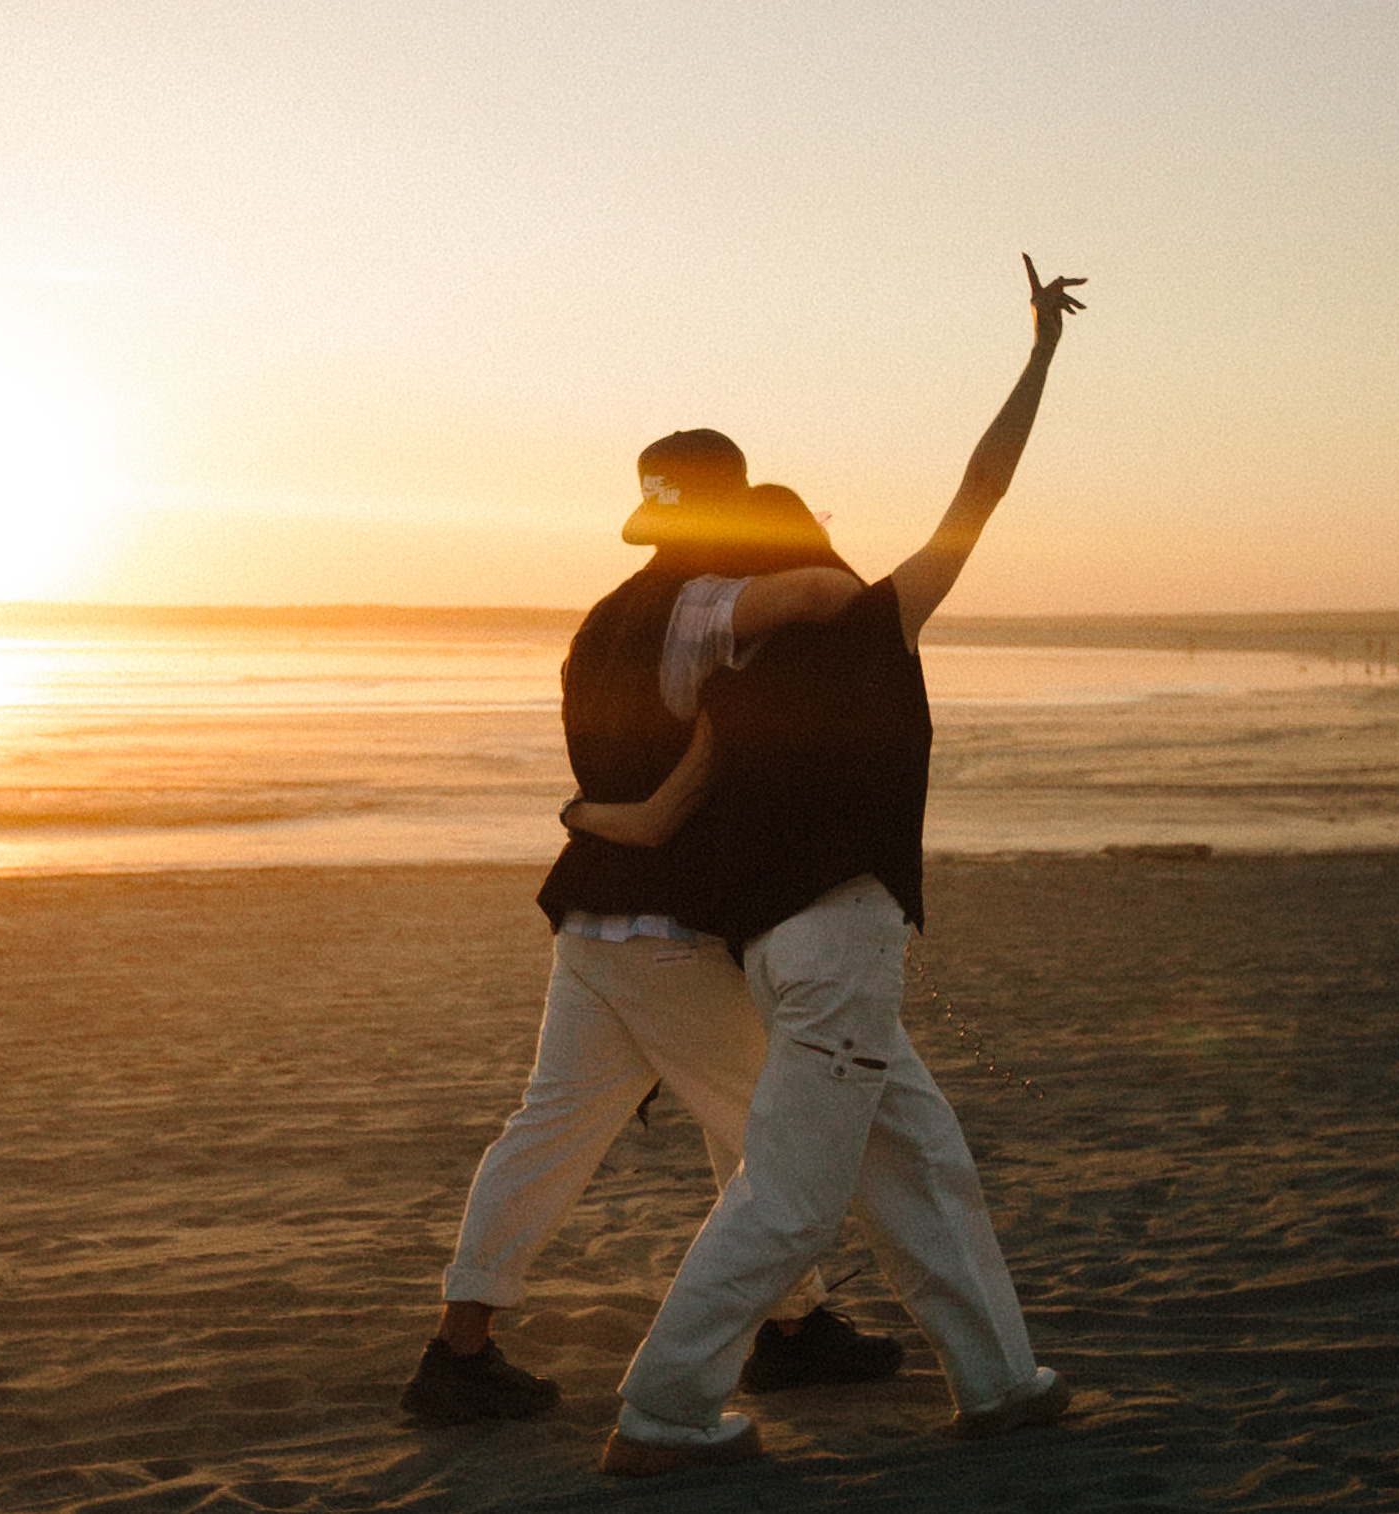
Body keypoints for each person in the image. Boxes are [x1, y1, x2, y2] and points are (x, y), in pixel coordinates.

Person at [586, 255, 1088, 1475]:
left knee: (924, 1160)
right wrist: (1038, 359)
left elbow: (658, 819)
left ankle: (999, 1379)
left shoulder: (724, 675)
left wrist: (575, 818)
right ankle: (660, 1407)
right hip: (838, 947)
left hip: (776, 956)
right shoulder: (878, 624)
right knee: (794, 1197)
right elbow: (981, 491)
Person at [398, 433, 899, 1422]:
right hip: (666, 924)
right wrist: (861, 596)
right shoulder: (703, 600)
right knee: (770, 1126)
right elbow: (808, 601)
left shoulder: (602, 621)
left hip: (592, 916)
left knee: (550, 1133)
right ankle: (780, 1333)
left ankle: (459, 1350)